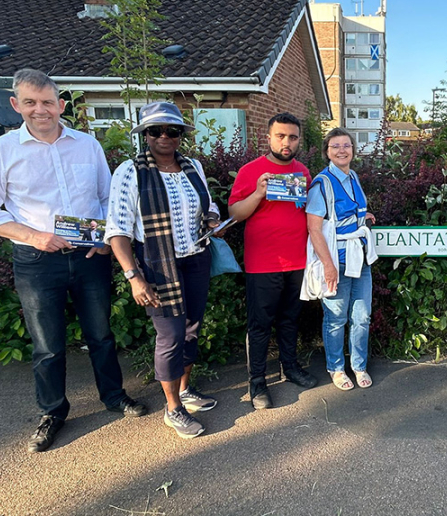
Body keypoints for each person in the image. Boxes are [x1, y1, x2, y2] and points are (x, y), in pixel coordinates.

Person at [0, 69, 146, 453]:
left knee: (100, 334)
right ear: (17, 105)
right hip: (36, 261)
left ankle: (114, 396)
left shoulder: (87, 145)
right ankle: (52, 412)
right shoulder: (1, 152)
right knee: (48, 344)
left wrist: (106, 239)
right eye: (31, 103)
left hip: (89, 257)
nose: (41, 110)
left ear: (61, 105)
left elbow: (107, 199)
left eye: (48, 102)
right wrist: (33, 236)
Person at [106, 102, 223, 439]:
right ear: (144, 134)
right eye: (155, 130)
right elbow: (117, 230)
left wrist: (213, 219)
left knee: (190, 328)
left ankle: (185, 389)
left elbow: (208, 203)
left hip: (196, 258)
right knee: (170, 335)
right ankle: (173, 408)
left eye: (172, 130)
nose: (164, 137)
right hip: (157, 265)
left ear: (180, 136)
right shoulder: (130, 171)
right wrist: (134, 277)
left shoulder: (193, 167)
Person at [229, 112, 318, 410]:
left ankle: (289, 368)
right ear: (268, 138)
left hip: (297, 261)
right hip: (262, 263)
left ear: (298, 140)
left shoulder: (303, 172)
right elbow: (235, 214)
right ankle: (257, 383)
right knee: (260, 325)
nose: (286, 142)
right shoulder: (251, 171)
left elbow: (311, 211)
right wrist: (259, 192)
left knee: (290, 320)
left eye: (292, 137)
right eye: (280, 136)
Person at [306, 127, 378, 390]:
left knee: (362, 317)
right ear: (327, 151)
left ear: (352, 150)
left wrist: (364, 217)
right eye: (335, 146)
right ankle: (336, 368)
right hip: (337, 260)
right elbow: (314, 228)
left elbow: (349, 210)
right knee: (336, 319)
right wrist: (328, 266)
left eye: (346, 145)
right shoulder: (321, 184)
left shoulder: (353, 176)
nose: (341, 150)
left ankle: (359, 366)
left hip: (360, 260)